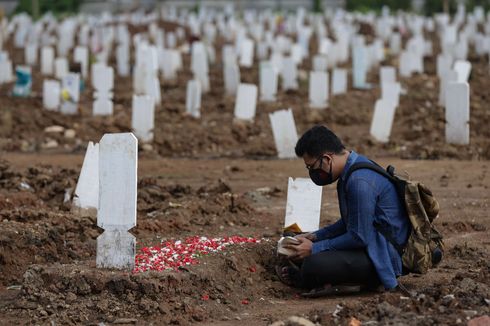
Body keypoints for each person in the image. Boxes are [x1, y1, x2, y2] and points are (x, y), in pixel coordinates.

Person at [276, 125, 410, 296]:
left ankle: (366, 280)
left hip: (385, 255)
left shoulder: (358, 181)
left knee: (313, 264)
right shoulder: (352, 169)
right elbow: (351, 222)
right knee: (299, 244)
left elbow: (359, 236)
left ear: (327, 159)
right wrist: (315, 236)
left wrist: (315, 248)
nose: (312, 173)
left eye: (312, 167)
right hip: (370, 243)